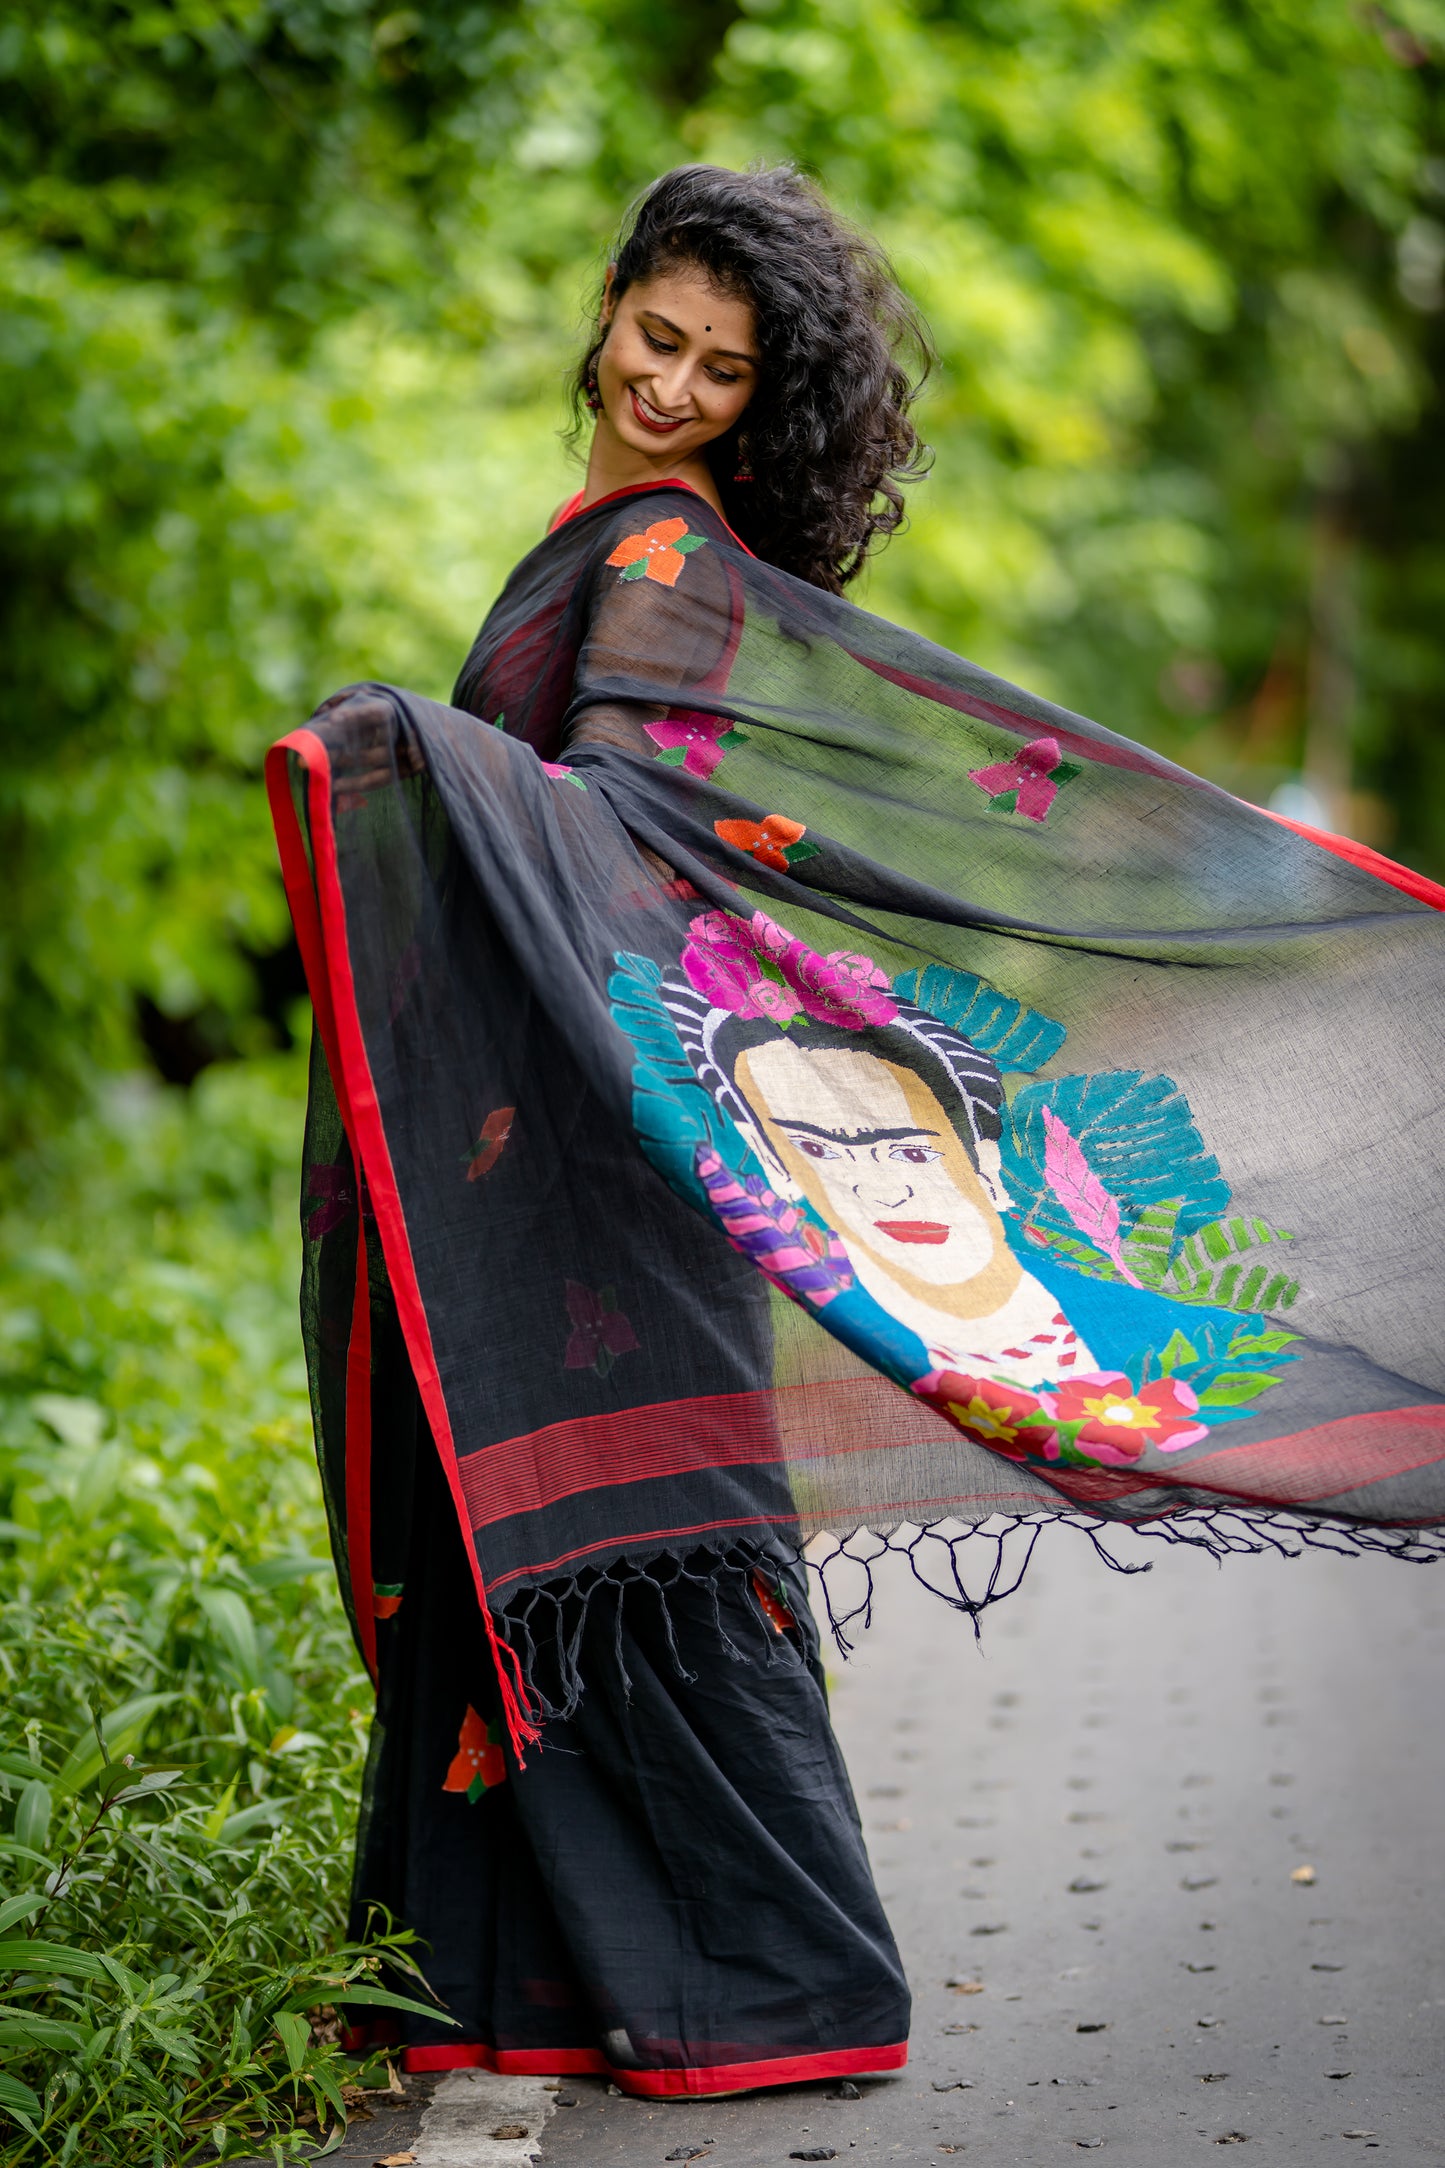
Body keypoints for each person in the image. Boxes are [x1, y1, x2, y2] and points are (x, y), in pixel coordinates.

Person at [269, 163, 1445, 2100]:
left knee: (644, 1552)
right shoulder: (608, 544)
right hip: (565, 1138)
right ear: (608, 302)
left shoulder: (663, 559)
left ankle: (786, 1980)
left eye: (719, 370)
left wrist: (403, 741)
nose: (668, 385)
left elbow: (627, 832)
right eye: (656, 336)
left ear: (761, 401)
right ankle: (519, 1989)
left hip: (625, 1153)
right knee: (539, 1550)